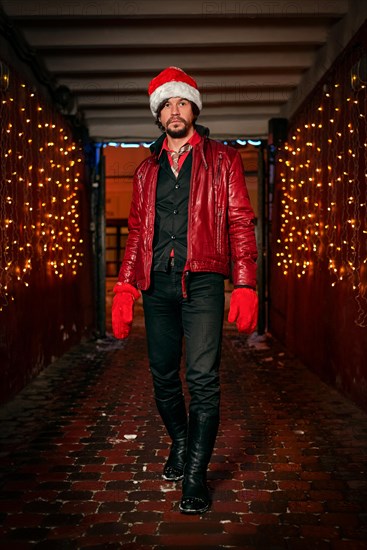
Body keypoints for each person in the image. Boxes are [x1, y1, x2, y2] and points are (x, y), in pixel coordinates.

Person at [112, 67, 258, 515]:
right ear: (158, 115)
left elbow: (239, 222)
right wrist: (124, 285)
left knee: (203, 381)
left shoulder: (223, 159)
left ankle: (194, 475)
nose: (174, 111)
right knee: (161, 376)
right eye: (166, 105)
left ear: (193, 107)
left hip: (204, 281)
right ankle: (180, 441)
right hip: (157, 284)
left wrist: (246, 283)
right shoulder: (144, 171)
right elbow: (138, 231)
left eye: (181, 102)